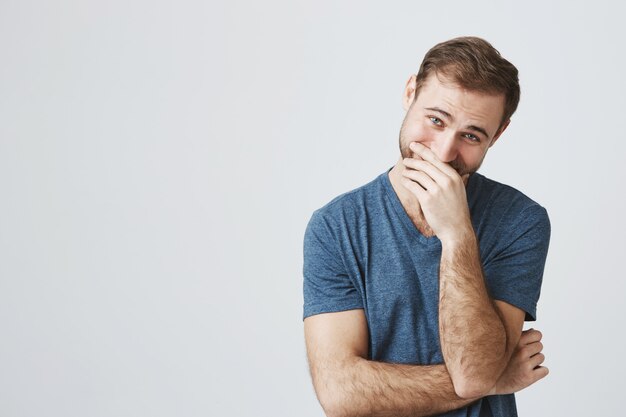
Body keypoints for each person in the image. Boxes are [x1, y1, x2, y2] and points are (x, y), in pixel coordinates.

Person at [302, 36, 551, 417]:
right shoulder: (336, 226)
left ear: (497, 136)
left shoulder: (520, 220)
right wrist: (494, 380)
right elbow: (341, 393)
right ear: (409, 93)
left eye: (471, 135)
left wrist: (457, 234)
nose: (444, 152)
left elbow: (472, 375)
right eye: (436, 120)